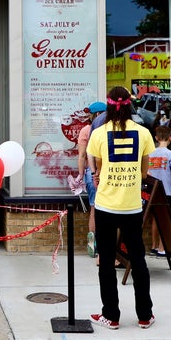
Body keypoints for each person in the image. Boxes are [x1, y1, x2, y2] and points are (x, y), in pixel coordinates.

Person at [86, 86, 156, 330]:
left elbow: (98, 168)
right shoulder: (143, 132)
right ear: (129, 105)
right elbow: (145, 171)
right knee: (138, 260)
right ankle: (145, 315)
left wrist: (100, 175)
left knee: (106, 262)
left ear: (108, 107)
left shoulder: (99, 133)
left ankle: (111, 316)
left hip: (106, 204)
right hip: (131, 206)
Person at [75, 100, 107, 258]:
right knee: (108, 209)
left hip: (91, 172)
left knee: (94, 208)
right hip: (106, 172)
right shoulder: (108, 130)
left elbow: (82, 156)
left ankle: (93, 245)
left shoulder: (85, 131)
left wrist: (81, 175)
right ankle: (106, 245)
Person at [145, 124, 171, 257]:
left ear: (156, 138)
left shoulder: (149, 154)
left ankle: (154, 246)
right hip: (166, 192)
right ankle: (162, 248)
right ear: (170, 138)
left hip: (152, 192)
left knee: (155, 219)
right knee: (164, 221)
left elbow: (145, 173)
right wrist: (169, 181)